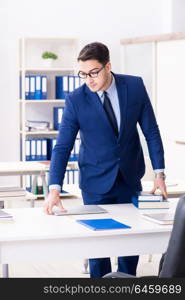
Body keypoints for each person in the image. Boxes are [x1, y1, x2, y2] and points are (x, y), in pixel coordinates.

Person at [44, 42, 167, 278]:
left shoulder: (134, 86)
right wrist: (54, 188)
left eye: (93, 73)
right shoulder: (76, 99)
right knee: (98, 253)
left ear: (108, 66)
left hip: (130, 179)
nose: (88, 80)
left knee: (130, 249)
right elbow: (62, 147)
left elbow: (151, 131)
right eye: (83, 74)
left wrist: (160, 174)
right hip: (95, 183)